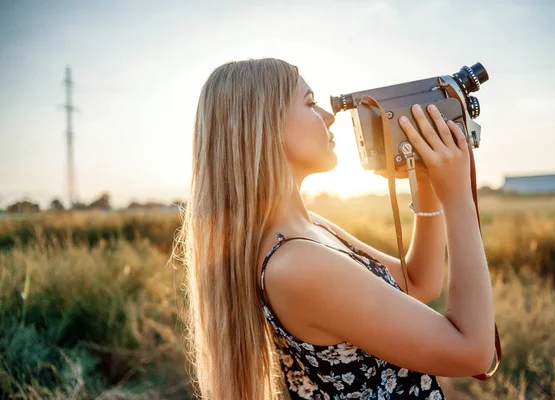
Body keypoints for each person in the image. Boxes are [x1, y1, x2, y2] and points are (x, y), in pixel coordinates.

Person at [176, 58, 495, 400]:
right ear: (264, 126)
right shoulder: (299, 264)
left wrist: (427, 184)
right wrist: (458, 198)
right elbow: (473, 353)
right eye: (311, 103)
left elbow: (418, 283)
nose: (329, 117)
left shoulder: (307, 228)